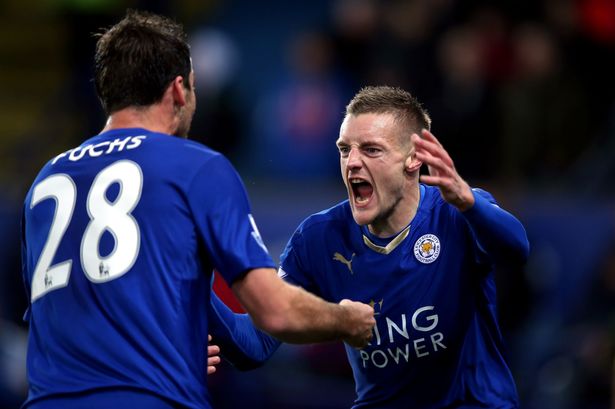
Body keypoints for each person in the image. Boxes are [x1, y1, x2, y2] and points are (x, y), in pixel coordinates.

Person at [19, 10, 375, 409]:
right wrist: (346, 320)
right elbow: (274, 314)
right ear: (178, 90)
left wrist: (172, 345)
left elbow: (245, 344)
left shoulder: (45, 182)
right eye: (193, 85)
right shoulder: (195, 167)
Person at [209, 85, 530, 408]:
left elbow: (516, 251)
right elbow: (253, 345)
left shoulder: (457, 213)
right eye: (345, 149)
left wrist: (469, 202)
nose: (352, 163)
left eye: (371, 150)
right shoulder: (318, 238)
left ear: (414, 158)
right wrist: (190, 282)